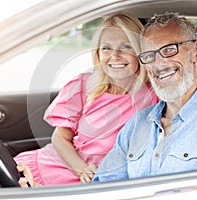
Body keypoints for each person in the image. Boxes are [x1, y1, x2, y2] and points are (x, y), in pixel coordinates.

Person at [92, 12, 197, 182]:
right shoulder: (136, 124)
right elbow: (103, 185)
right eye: (149, 56)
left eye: (169, 50)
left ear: (196, 51)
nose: (159, 64)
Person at [15, 12, 159, 187]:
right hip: (57, 167)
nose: (115, 55)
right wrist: (81, 169)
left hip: (99, 183)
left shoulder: (154, 95)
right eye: (106, 48)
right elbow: (60, 138)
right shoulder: (83, 85)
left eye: (126, 47)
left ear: (140, 52)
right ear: (98, 53)